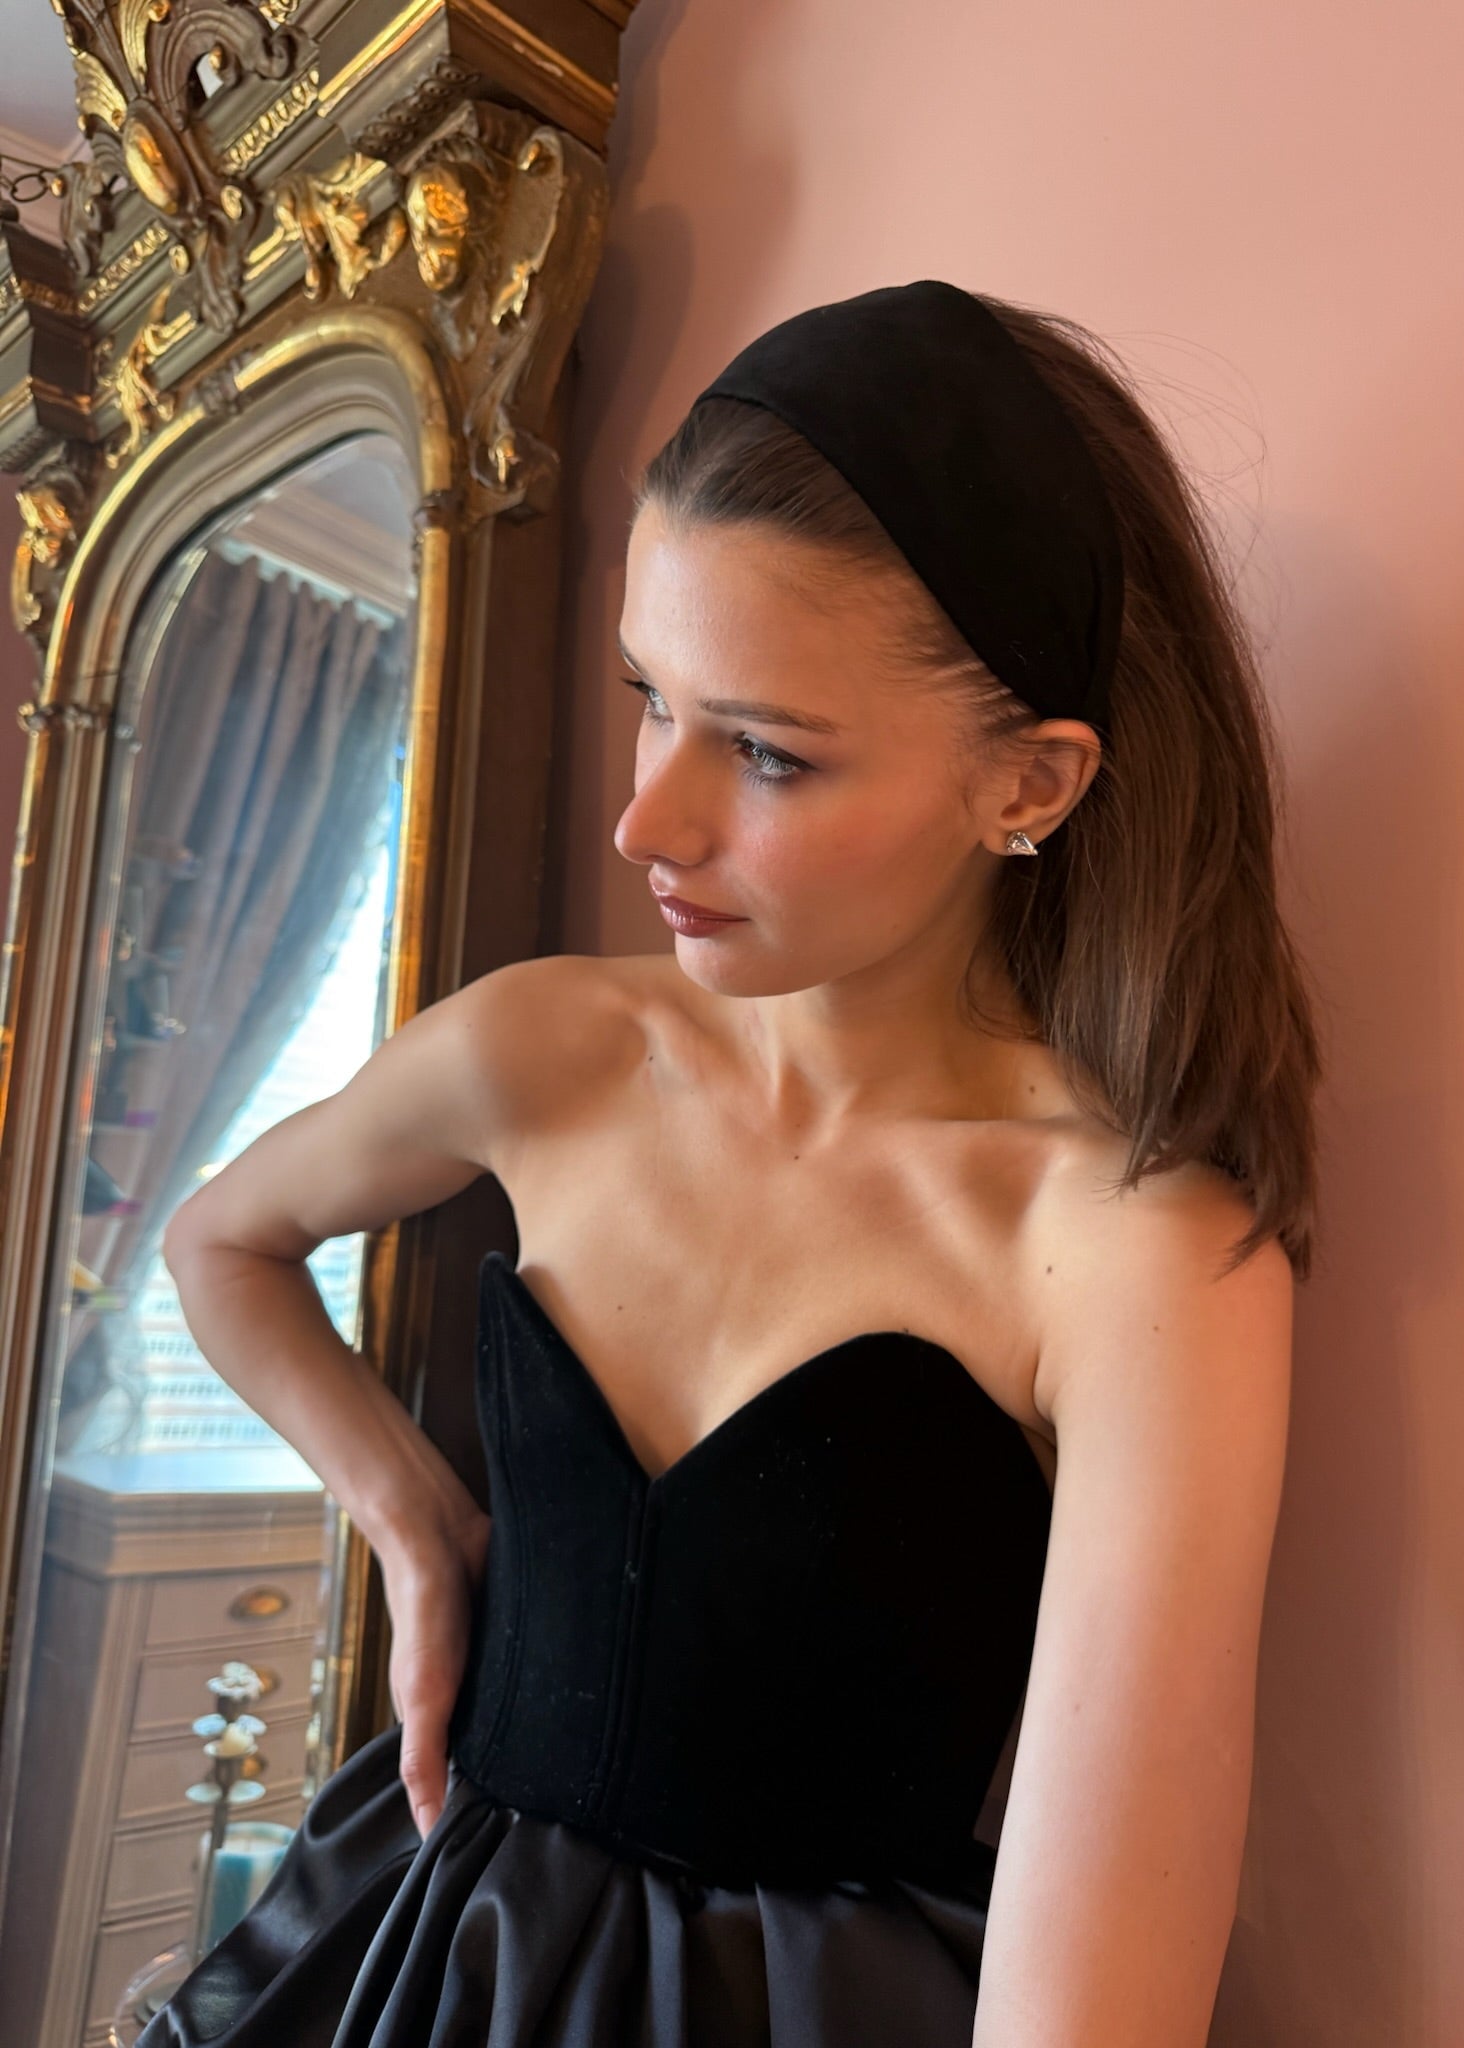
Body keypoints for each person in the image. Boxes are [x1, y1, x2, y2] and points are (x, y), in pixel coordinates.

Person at [142, 280, 1319, 2047]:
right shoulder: (546, 1048)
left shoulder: (1136, 1256)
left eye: (765, 750)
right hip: (416, 1952)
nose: (648, 821)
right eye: (651, 697)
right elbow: (218, 1243)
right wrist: (415, 1520)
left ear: (1031, 784)